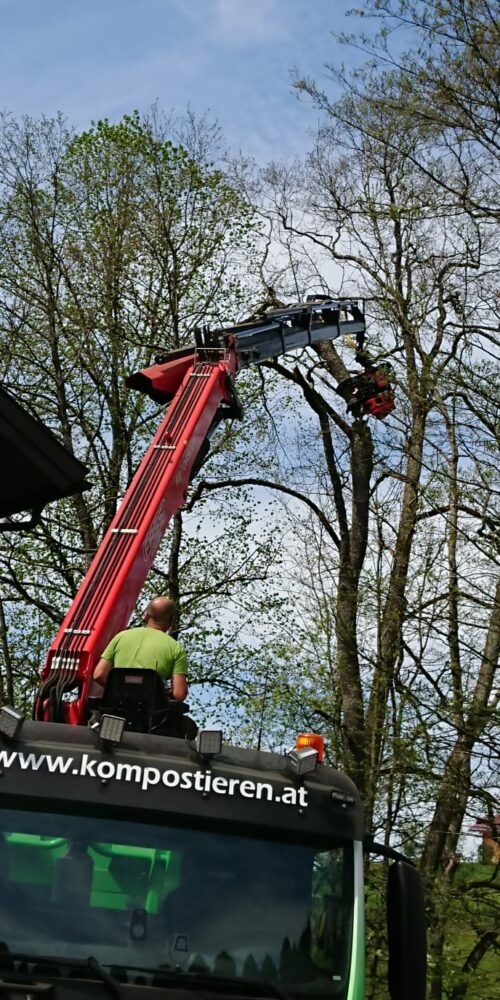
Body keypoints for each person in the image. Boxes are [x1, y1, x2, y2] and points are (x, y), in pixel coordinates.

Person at [93, 596, 188, 701]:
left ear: (146, 616)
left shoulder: (120, 637)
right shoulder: (176, 648)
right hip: (152, 712)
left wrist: (119, 691)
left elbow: (99, 674)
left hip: (116, 708)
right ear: (171, 620)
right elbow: (179, 694)